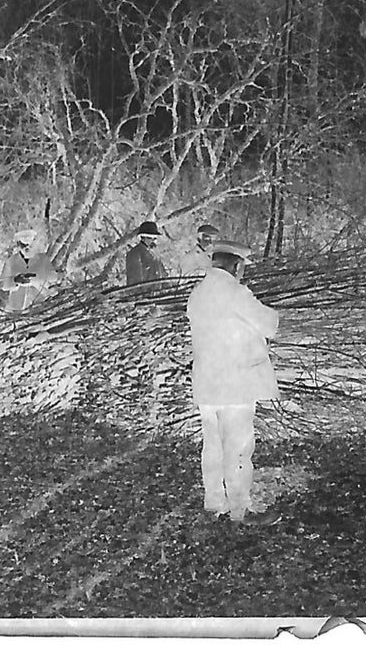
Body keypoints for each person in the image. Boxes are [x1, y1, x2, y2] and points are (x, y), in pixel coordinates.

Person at [185, 241, 280, 523]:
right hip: (235, 383)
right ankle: (241, 509)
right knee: (238, 448)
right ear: (236, 266)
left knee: (212, 446)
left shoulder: (197, 293)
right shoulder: (235, 293)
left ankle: (214, 503)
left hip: (207, 382)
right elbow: (269, 325)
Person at [0, 228, 56, 312]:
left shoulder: (42, 259)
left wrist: (35, 279)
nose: (26, 247)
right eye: (23, 245)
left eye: (29, 244)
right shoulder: (11, 261)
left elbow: (53, 278)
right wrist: (15, 281)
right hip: (17, 308)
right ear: (18, 244)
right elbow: (2, 284)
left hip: (39, 305)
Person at [126, 220, 168, 285]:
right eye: (150, 238)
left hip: (158, 293)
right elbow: (134, 281)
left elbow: (163, 275)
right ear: (143, 238)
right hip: (145, 294)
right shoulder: (135, 254)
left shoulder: (155, 254)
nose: (153, 241)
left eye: (155, 238)